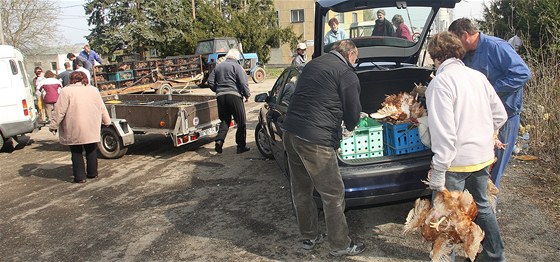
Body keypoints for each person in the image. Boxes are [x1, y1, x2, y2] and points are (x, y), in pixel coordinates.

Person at [425, 31, 508, 262]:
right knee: (482, 206)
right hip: (482, 157)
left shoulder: (440, 83)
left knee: (444, 214)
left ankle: (444, 259)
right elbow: (500, 115)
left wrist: (439, 169)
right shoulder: (477, 76)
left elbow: (444, 133)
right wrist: (485, 136)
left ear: (435, 56)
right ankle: (495, 255)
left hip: (455, 162)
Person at [282, 40, 365, 257]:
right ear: (350, 55)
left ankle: (309, 236)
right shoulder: (346, 73)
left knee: (301, 189)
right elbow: (353, 113)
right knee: (333, 194)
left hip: (291, 132)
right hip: (315, 140)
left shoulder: (312, 64)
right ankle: (340, 245)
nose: (356, 63)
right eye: (356, 59)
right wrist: (350, 126)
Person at [448, 18, 531, 188]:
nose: (454, 44)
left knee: (493, 168)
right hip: (480, 117)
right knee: (480, 165)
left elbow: (522, 73)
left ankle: (487, 210)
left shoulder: (496, 47)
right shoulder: (466, 54)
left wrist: (490, 90)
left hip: (505, 116)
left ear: (464, 35)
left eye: (455, 39)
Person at [49, 71, 111, 183]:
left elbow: (60, 111)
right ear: (85, 79)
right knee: (91, 149)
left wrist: (53, 125)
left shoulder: (66, 91)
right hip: (91, 124)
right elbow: (102, 107)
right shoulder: (93, 90)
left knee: (76, 151)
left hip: (74, 126)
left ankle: (80, 177)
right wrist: (107, 120)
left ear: (71, 79)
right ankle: (92, 173)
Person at [208, 48, 251, 154]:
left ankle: (219, 140)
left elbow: (210, 81)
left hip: (221, 97)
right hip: (234, 96)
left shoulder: (218, 67)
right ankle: (241, 146)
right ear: (237, 58)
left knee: (225, 120)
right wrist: (247, 95)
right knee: (241, 121)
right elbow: (243, 82)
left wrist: (217, 90)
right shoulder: (237, 66)